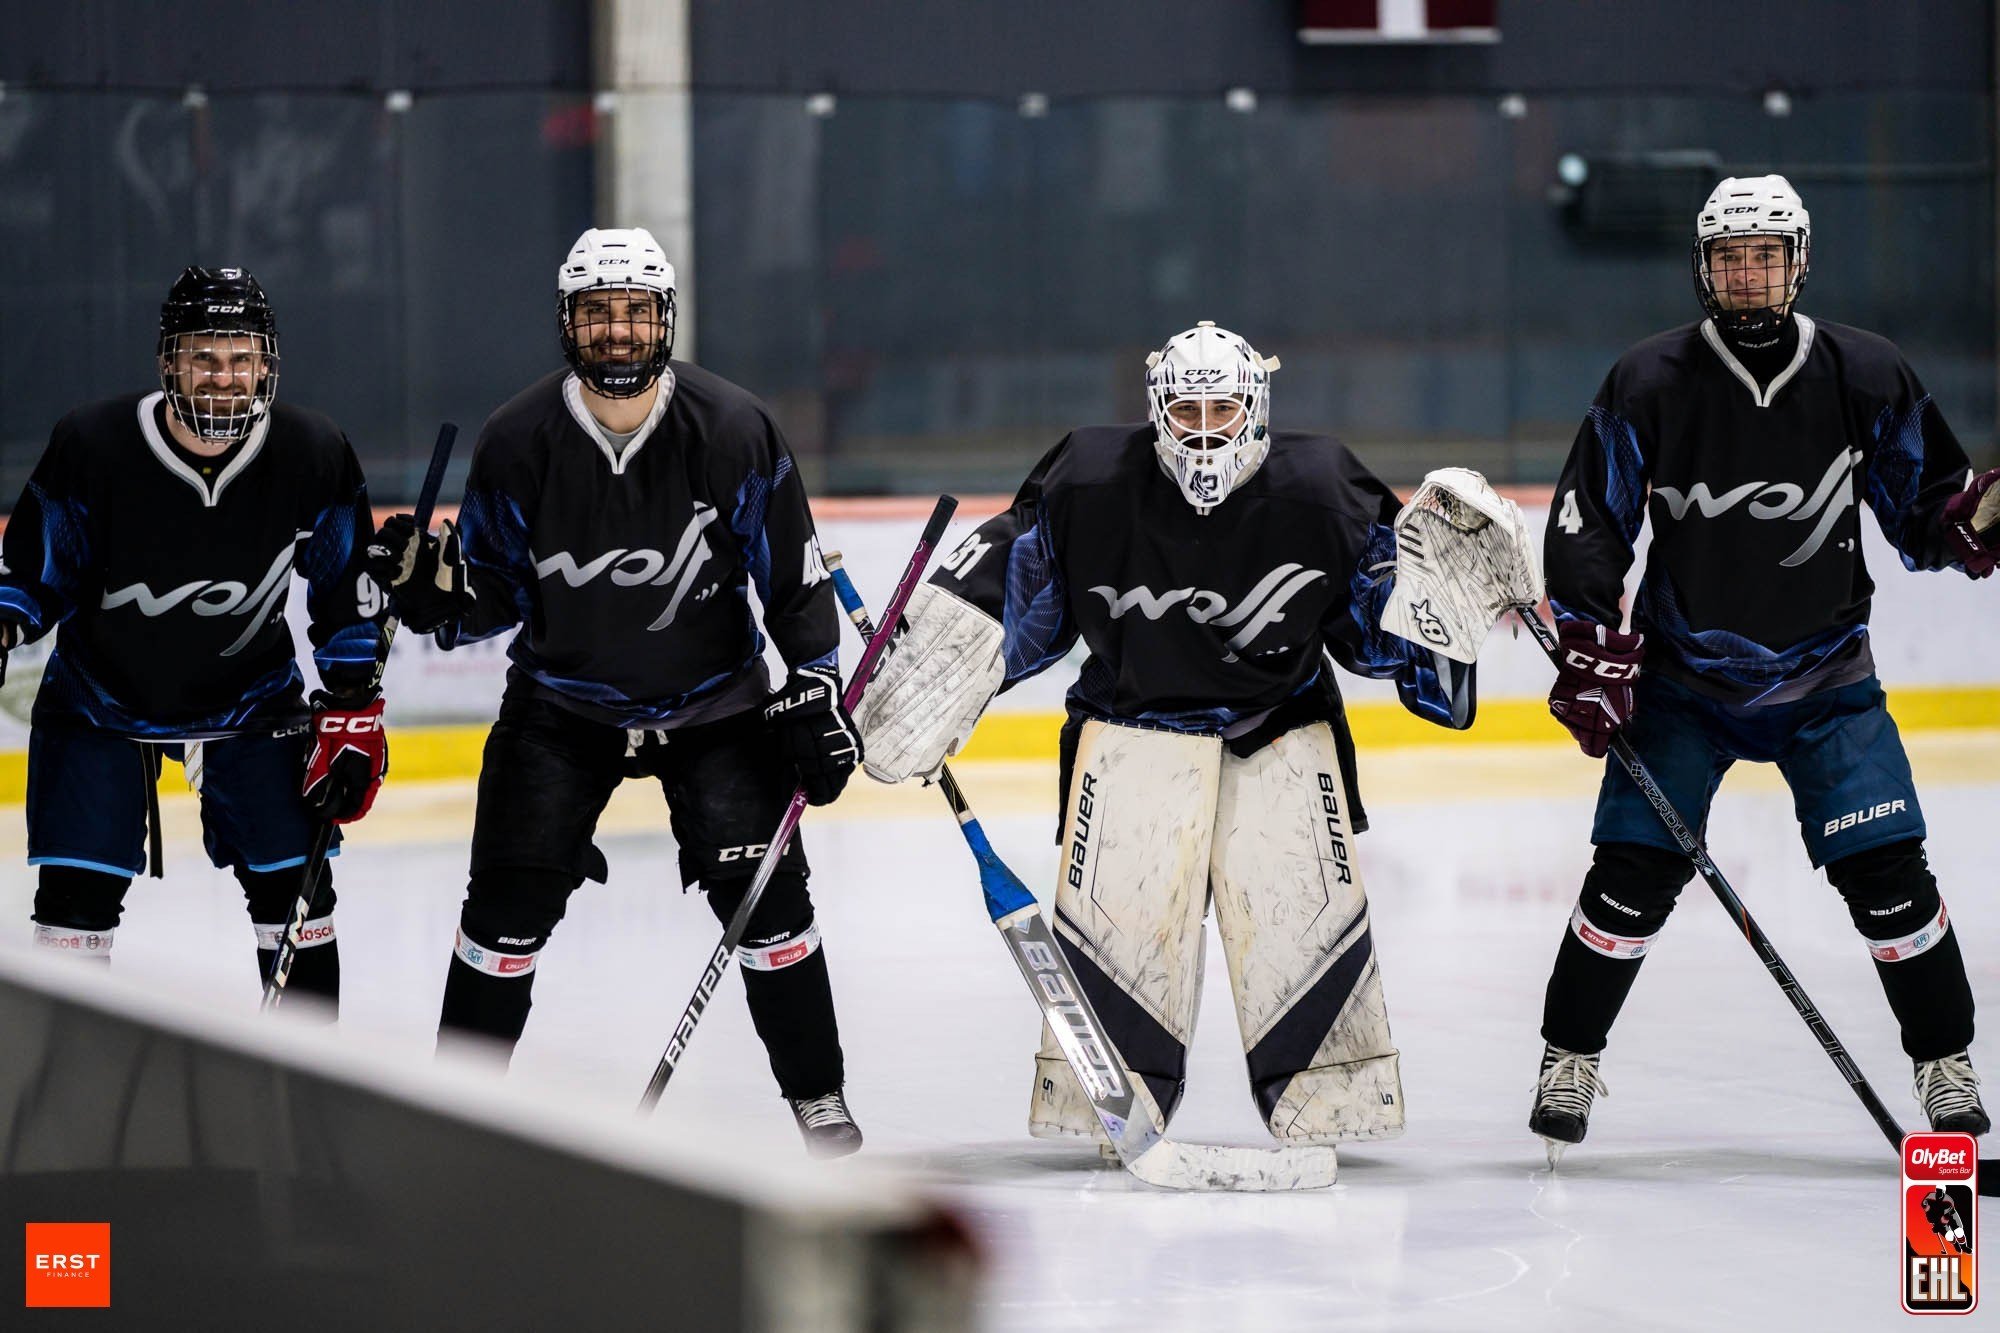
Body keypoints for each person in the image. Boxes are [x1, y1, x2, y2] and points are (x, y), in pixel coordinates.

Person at [852, 322, 1530, 1154]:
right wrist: (932, 661)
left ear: (1259, 409)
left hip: (1279, 735)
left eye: (1223, 408)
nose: (1205, 430)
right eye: (1186, 409)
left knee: (1305, 935)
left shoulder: (1322, 489)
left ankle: (1329, 1097)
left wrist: (1447, 622)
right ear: (1154, 411)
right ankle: (1114, 1091)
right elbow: (1017, 589)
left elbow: (1381, 638)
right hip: (1131, 734)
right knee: (1120, 943)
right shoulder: (1090, 480)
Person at [364, 227, 865, 1157]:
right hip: (562, 708)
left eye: (635, 312)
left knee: (770, 902)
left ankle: (818, 1096)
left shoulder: (733, 428)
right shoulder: (518, 441)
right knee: (501, 912)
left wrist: (817, 686)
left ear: (663, 318)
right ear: (568, 322)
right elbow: (493, 596)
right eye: (598, 313)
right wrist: (435, 593)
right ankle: (457, 1107)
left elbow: (793, 582)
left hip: (715, 705)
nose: (619, 332)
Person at [1530, 175, 1995, 1160]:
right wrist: (1585, 637)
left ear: (1797, 262)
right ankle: (1567, 1055)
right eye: (1730, 257)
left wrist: (1968, 523)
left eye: (1766, 256)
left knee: (1889, 882)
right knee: (1626, 879)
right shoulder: (1645, 381)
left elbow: (1926, 514)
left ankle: (1943, 1063)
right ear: (1703, 268)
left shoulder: (1862, 372)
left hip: (1825, 680)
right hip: (1681, 684)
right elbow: (1590, 525)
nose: (1748, 276)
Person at [0, 267, 389, 1007]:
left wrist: (352, 699)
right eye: (204, 357)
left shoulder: (312, 450)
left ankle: (298, 1100)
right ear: (168, 361)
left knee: (300, 899)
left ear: (266, 365)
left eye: (241, 359)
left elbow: (343, 593)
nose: (223, 377)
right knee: (73, 908)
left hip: (251, 701)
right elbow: (34, 572)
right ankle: (70, 1104)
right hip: (98, 699)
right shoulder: (93, 443)